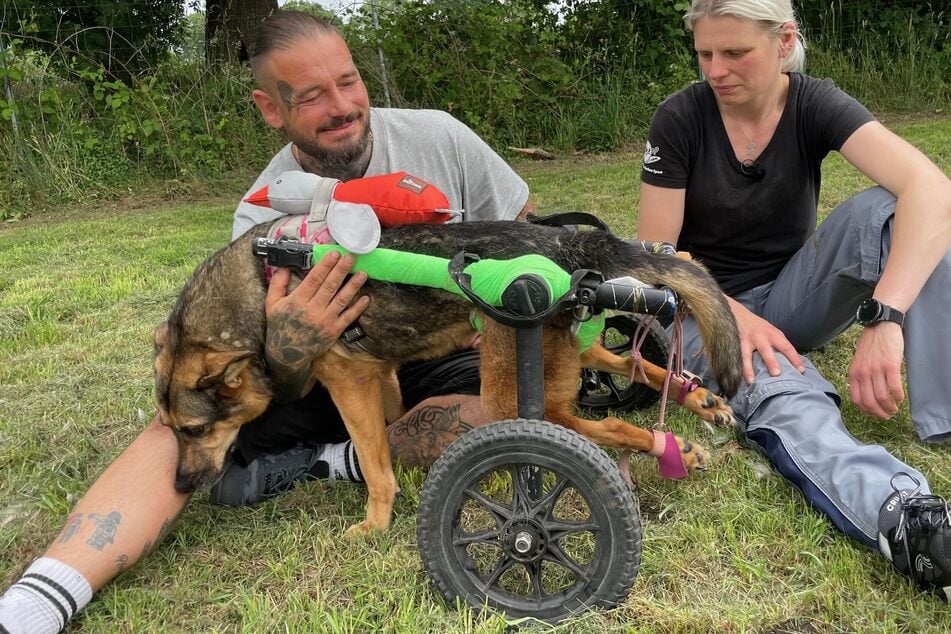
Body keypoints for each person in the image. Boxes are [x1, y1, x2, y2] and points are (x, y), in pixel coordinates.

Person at [0, 11, 534, 634]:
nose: (342, 107)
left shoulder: (439, 138)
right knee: (181, 421)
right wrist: (288, 347)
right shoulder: (259, 215)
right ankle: (42, 596)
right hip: (322, 376)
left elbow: (525, 233)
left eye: (349, 81)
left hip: (444, 350)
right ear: (270, 108)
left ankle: (330, 464)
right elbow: (261, 380)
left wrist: (504, 308)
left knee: (502, 412)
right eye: (310, 96)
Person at [637, 0, 951, 599]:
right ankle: (906, 520)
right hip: (698, 308)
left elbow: (932, 190)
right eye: (705, 53)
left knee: (893, 212)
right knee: (783, 386)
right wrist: (733, 313)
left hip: (789, 294)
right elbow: (655, 254)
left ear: (784, 42)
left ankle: (944, 414)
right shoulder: (679, 118)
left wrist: (887, 316)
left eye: (734, 53)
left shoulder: (813, 102)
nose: (715, 70)